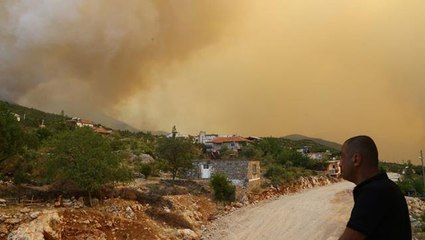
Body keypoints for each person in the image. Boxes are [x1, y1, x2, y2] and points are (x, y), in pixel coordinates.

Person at [338, 135, 411, 240]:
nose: (340, 163)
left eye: (342, 157)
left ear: (356, 159)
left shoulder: (374, 193)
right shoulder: (385, 187)